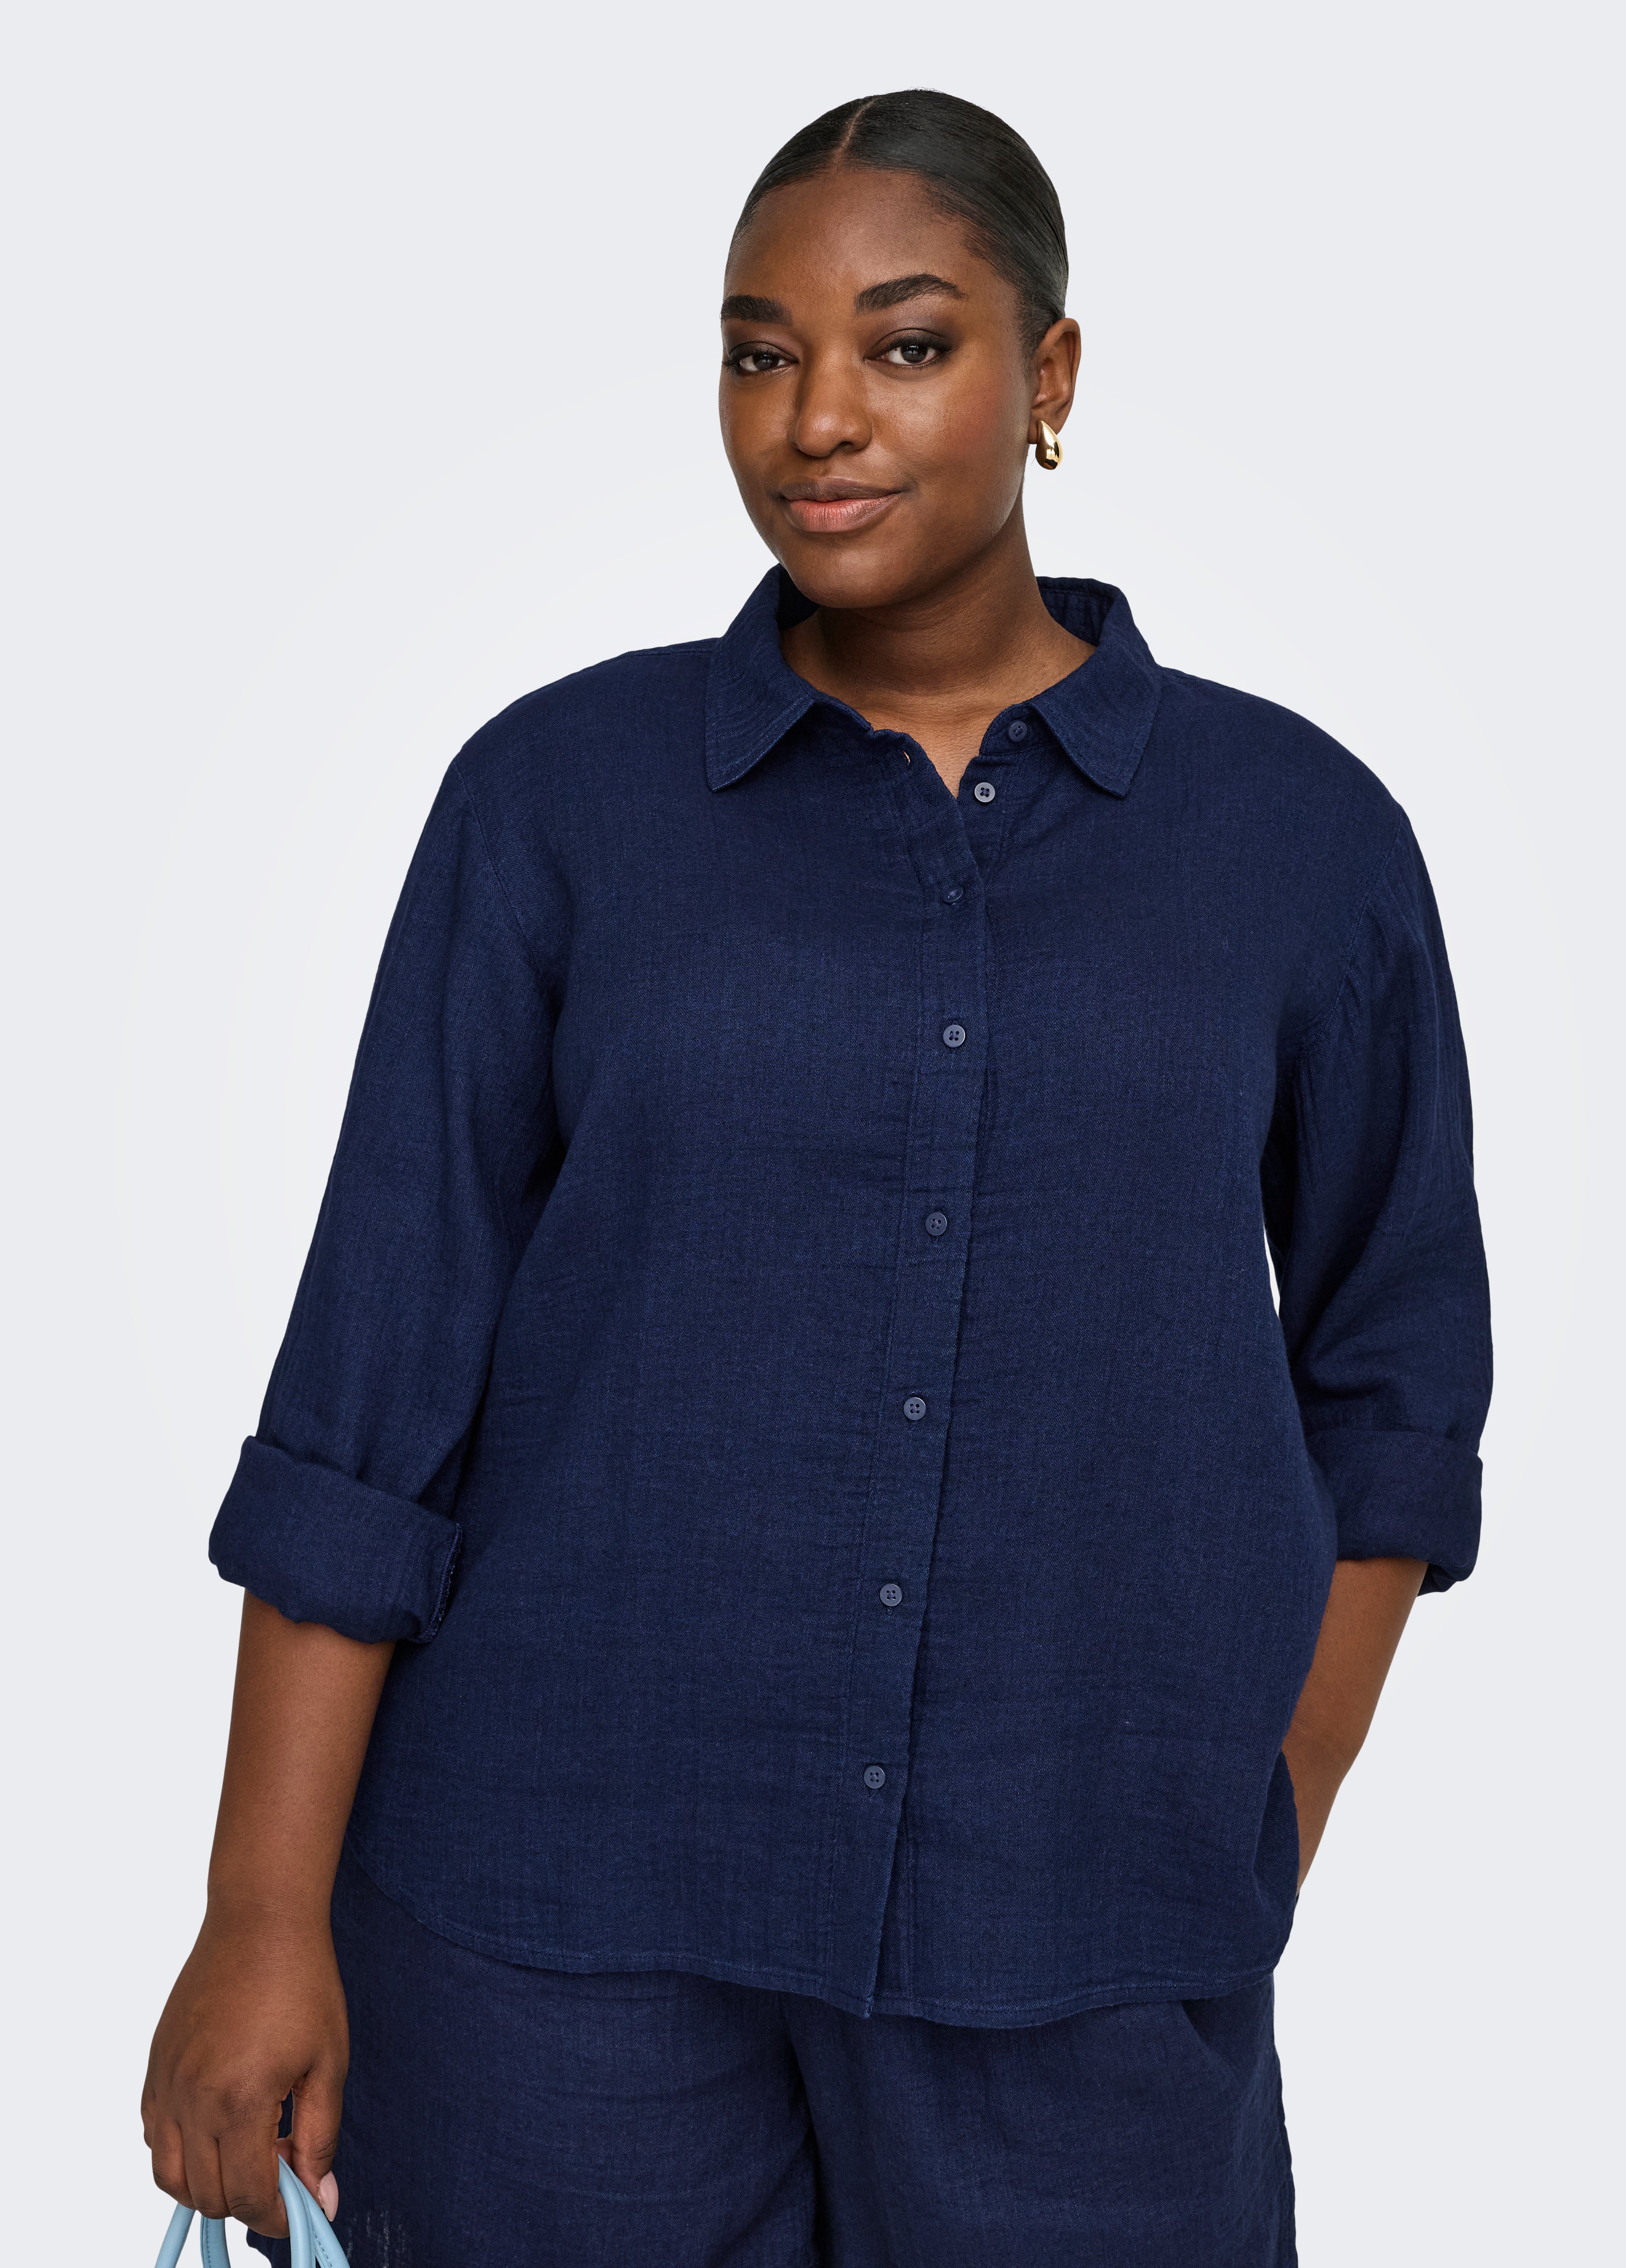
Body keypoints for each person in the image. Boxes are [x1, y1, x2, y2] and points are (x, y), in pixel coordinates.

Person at [142, 88, 1491, 2268]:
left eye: (906, 344)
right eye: (759, 354)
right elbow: (373, 1391)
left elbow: (1395, 1384)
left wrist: (1259, 1812)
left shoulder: (1297, 842)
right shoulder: (557, 800)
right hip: (548, 1939)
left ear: (1051, 376)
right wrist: (255, 1914)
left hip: (1082, 1951)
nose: (817, 419)